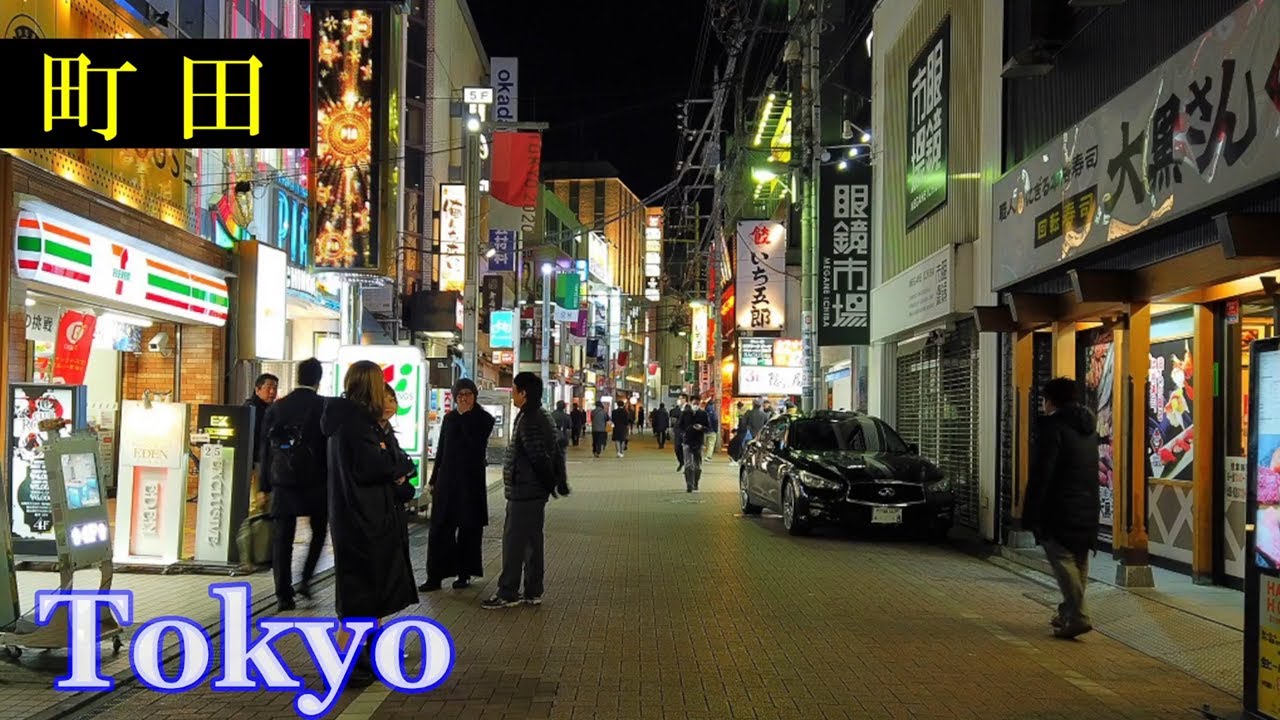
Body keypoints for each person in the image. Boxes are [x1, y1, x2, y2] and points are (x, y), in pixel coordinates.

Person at [321, 360, 418, 672]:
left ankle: (367, 655)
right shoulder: (355, 423)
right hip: (362, 520)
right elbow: (374, 467)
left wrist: (398, 470)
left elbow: (390, 463)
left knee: (369, 591)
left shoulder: (353, 422)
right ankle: (347, 664)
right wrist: (399, 470)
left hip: (363, 516)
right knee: (360, 593)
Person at [484, 372, 570, 609]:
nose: (512, 394)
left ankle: (508, 592)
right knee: (532, 540)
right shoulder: (536, 415)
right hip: (532, 490)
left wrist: (545, 483)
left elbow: (538, 456)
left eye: (514, 390)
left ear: (523, 393)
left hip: (526, 490)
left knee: (514, 542)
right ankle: (532, 590)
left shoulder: (531, 418)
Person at [1023, 377, 1100, 640]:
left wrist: (1030, 512)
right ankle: (1068, 612)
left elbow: (1042, 473)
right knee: (1078, 561)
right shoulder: (1088, 428)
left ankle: (1077, 615)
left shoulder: (1053, 428)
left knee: (1063, 560)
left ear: (1050, 400)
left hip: (1060, 507)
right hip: (1088, 506)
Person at [259, 359, 327, 612]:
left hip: (283, 481)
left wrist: (264, 486)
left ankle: (283, 595)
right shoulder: (323, 406)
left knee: (282, 539)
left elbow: (265, 448)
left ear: (298, 376)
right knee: (319, 532)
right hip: (317, 481)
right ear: (318, 380)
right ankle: (306, 580)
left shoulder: (278, 407)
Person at [421, 378, 495, 592]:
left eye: (467, 395)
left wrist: (464, 418)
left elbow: (476, 445)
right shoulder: (449, 418)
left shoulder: (484, 419)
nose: (463, 399)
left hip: (471, 483)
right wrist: (434, 479)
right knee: (439, 529)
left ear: (474, 396)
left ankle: (464, 573)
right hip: (447, 482)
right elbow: (442, 450)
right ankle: (434, 576)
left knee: (468, 529)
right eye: (460, 395)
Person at [247, 372, 278, 504]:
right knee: (257, 501)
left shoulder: (271, 409)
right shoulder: (250, 409)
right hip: (256, 462)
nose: (272, 391)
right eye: (269, 387)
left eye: (275, 388)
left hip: (266, 461)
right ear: (257, 389)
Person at [680, 398, 710, 492]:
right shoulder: (685, 413)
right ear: (690, 403)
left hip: (698, 442)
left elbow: (708, 427)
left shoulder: (703, 414)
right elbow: (679, 426)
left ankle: (695, 483)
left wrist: (702, 427)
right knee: (688, 464)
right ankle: (689, 485)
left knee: (697, 466)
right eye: (694, 403)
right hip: (687, 441)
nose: (695, 405)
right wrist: (684, 433)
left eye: (697, 403)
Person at [672, 395, 688, 472]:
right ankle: (681, 462)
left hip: (685, 432)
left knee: (685, 449)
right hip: (678, 432)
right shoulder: (679, 408)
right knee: (677, 448)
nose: (679, 400)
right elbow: (672, 413)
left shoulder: (688, 408)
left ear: (685, 399)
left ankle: (686, 465)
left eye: (681, 398)